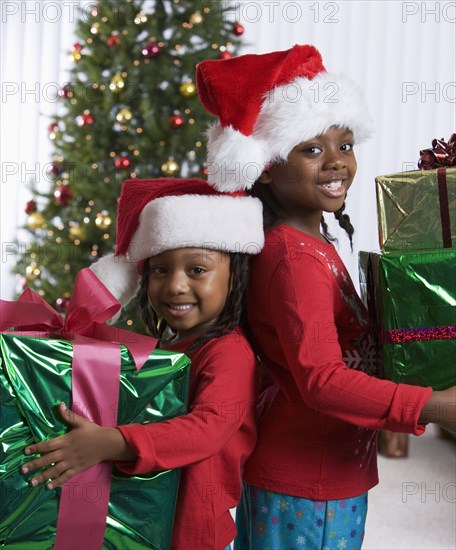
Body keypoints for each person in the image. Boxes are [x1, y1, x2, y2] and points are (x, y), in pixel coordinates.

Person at [196, 45, 456, 549]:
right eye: (312, 148)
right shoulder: (293, 259)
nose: (337, 162)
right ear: (266, 166)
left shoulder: (310, 243)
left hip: (320, 469)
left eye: (346, 143)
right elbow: (322, 380)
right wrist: (433, 406)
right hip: (304, 481)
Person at [21, 177, 265, 550]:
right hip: (145, 525)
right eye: (160, 270)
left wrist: (110, 442)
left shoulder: (229, 352)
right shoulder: (172, 347)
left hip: (192, 535)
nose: (175, 286)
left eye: (196, 270)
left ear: (235, 276)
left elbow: (208, 429)